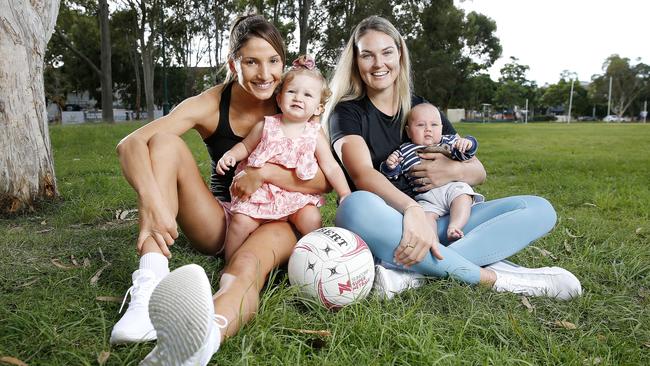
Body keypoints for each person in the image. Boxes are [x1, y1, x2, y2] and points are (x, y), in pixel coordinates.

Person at [111, 15, 329, 365]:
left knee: (243, 269)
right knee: (164, 143)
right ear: (232, 64)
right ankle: (149, 285)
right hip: (225, 215)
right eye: (251, 62)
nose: (265, 74)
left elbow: (324, 181)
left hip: (279, 218)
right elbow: (130, 144)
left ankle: (205, 335)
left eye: (274, 61)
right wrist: (151, 201)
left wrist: (265, 172)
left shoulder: (292, 100)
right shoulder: (210, 103)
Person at [324, 15, 582, 301]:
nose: (378, 63)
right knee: (354, 206)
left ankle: (412, 275)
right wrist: (413, 211)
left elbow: (477, 170)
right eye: (367, 55)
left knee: (537, 209)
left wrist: (448, 172)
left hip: (445, 223)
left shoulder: (422, 109)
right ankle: (495, 278)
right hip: (388, 225)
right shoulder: (346, 112)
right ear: (356, 61)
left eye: (387, 52)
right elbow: (362, 174)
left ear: (400, 54)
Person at [216, 55, 351, 259]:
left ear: (318, 108)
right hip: (261, 194)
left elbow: (330, 166)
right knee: (240, 222)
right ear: (279, 99)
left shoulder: (314, 133)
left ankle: (317, 260)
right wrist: (230, 155)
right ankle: (229, 261)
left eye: (307, 95)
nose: (298, 98)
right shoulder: (266, 125)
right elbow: (245, 146)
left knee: (311, 218)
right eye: (291, 91)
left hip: (296, 197)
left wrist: (345, 193)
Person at [380, 103, 484, 244]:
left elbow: (466, 154)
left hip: (452, 187)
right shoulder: (404, 150)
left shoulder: (448, 142)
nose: (428, 129)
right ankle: (432, 243)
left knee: (463, 197)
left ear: (442, 128)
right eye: (421, 125)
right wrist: (390, 166)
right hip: (425, 196)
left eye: (434, 125)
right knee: (425, 217)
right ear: (409, 131)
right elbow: (392, 176)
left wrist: (468, 143)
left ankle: (454, 227)